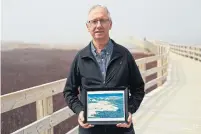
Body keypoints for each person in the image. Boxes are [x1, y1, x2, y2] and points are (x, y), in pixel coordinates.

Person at [63, 5, 145, 134]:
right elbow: (69, 91)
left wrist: (129, 110)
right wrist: (80, 111)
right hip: (90, 130)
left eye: (103, 20)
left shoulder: (124, 55)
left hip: (121, 130)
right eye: (94, 21)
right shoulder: (81, 57)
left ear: (110, 24)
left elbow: (138, 88)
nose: (99, 25)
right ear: (88, 27)